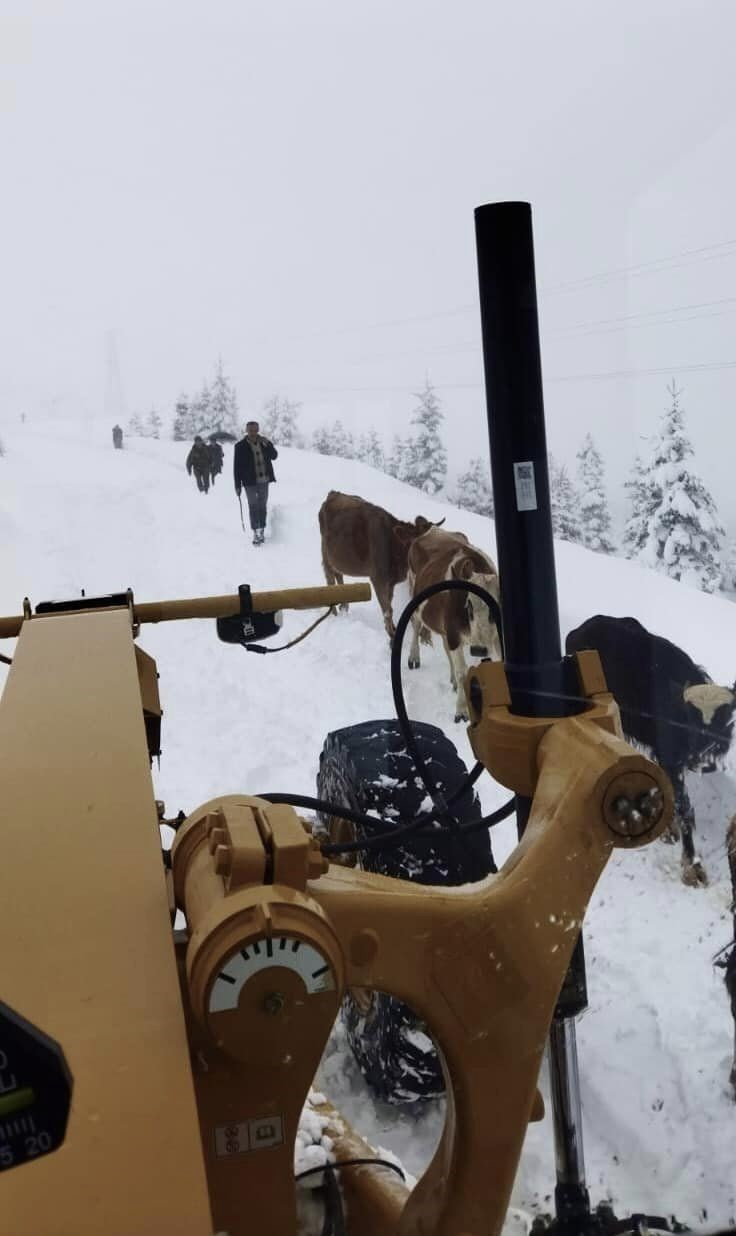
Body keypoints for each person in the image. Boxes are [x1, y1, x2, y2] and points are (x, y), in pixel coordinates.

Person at [233, 421, 278, 545]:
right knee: (253, 505)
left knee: (262, 505)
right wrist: (237, 485)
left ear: (258, 430)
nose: (253, 433)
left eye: (255, 430)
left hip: (264, 480)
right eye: (251, 430)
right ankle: (256, 531)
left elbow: (274, 456)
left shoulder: (264, 443)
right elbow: (237, 467)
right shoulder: (240, 446)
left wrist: (268, 444)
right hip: (249, 482)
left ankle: (261, 529)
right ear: (247, 431)